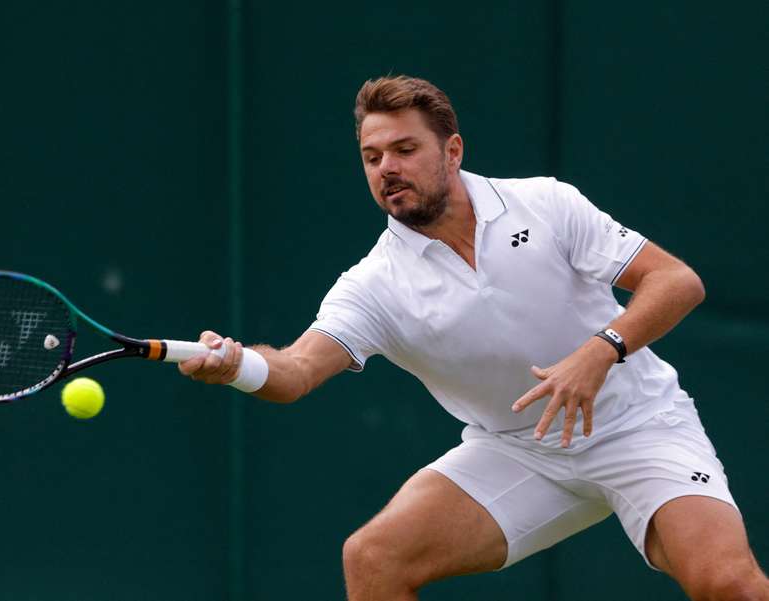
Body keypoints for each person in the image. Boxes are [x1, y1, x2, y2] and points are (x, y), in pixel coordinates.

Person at [179, 75, 768, 601]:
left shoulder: (544, 203)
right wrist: (235, 366)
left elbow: (676, 282)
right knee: (373, 559)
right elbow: (296, 371)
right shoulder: (374, 283)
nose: (387, 167)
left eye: (405, 149)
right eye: (372, 156)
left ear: (452, 151)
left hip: (637, 425)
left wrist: (600, 350)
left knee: (728, 585)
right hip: (517, 449)